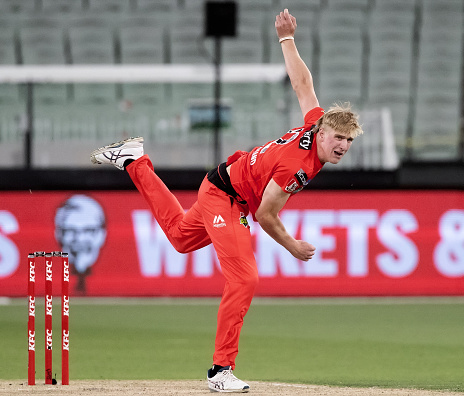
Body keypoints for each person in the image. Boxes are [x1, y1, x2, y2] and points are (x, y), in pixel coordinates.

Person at [90, 8, 363, 393]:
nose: (344, 146)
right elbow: (267, 215)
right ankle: (221, 370)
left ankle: (133, 160)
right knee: (244, 277)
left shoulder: (313, 124)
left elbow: (303, 85)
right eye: (338, 139)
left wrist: (287, 39)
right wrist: (293, 246)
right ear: (323, 134)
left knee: (181, 238)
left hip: (222, 183)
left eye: (349, 141)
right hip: (226, 195)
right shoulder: (296, 168)